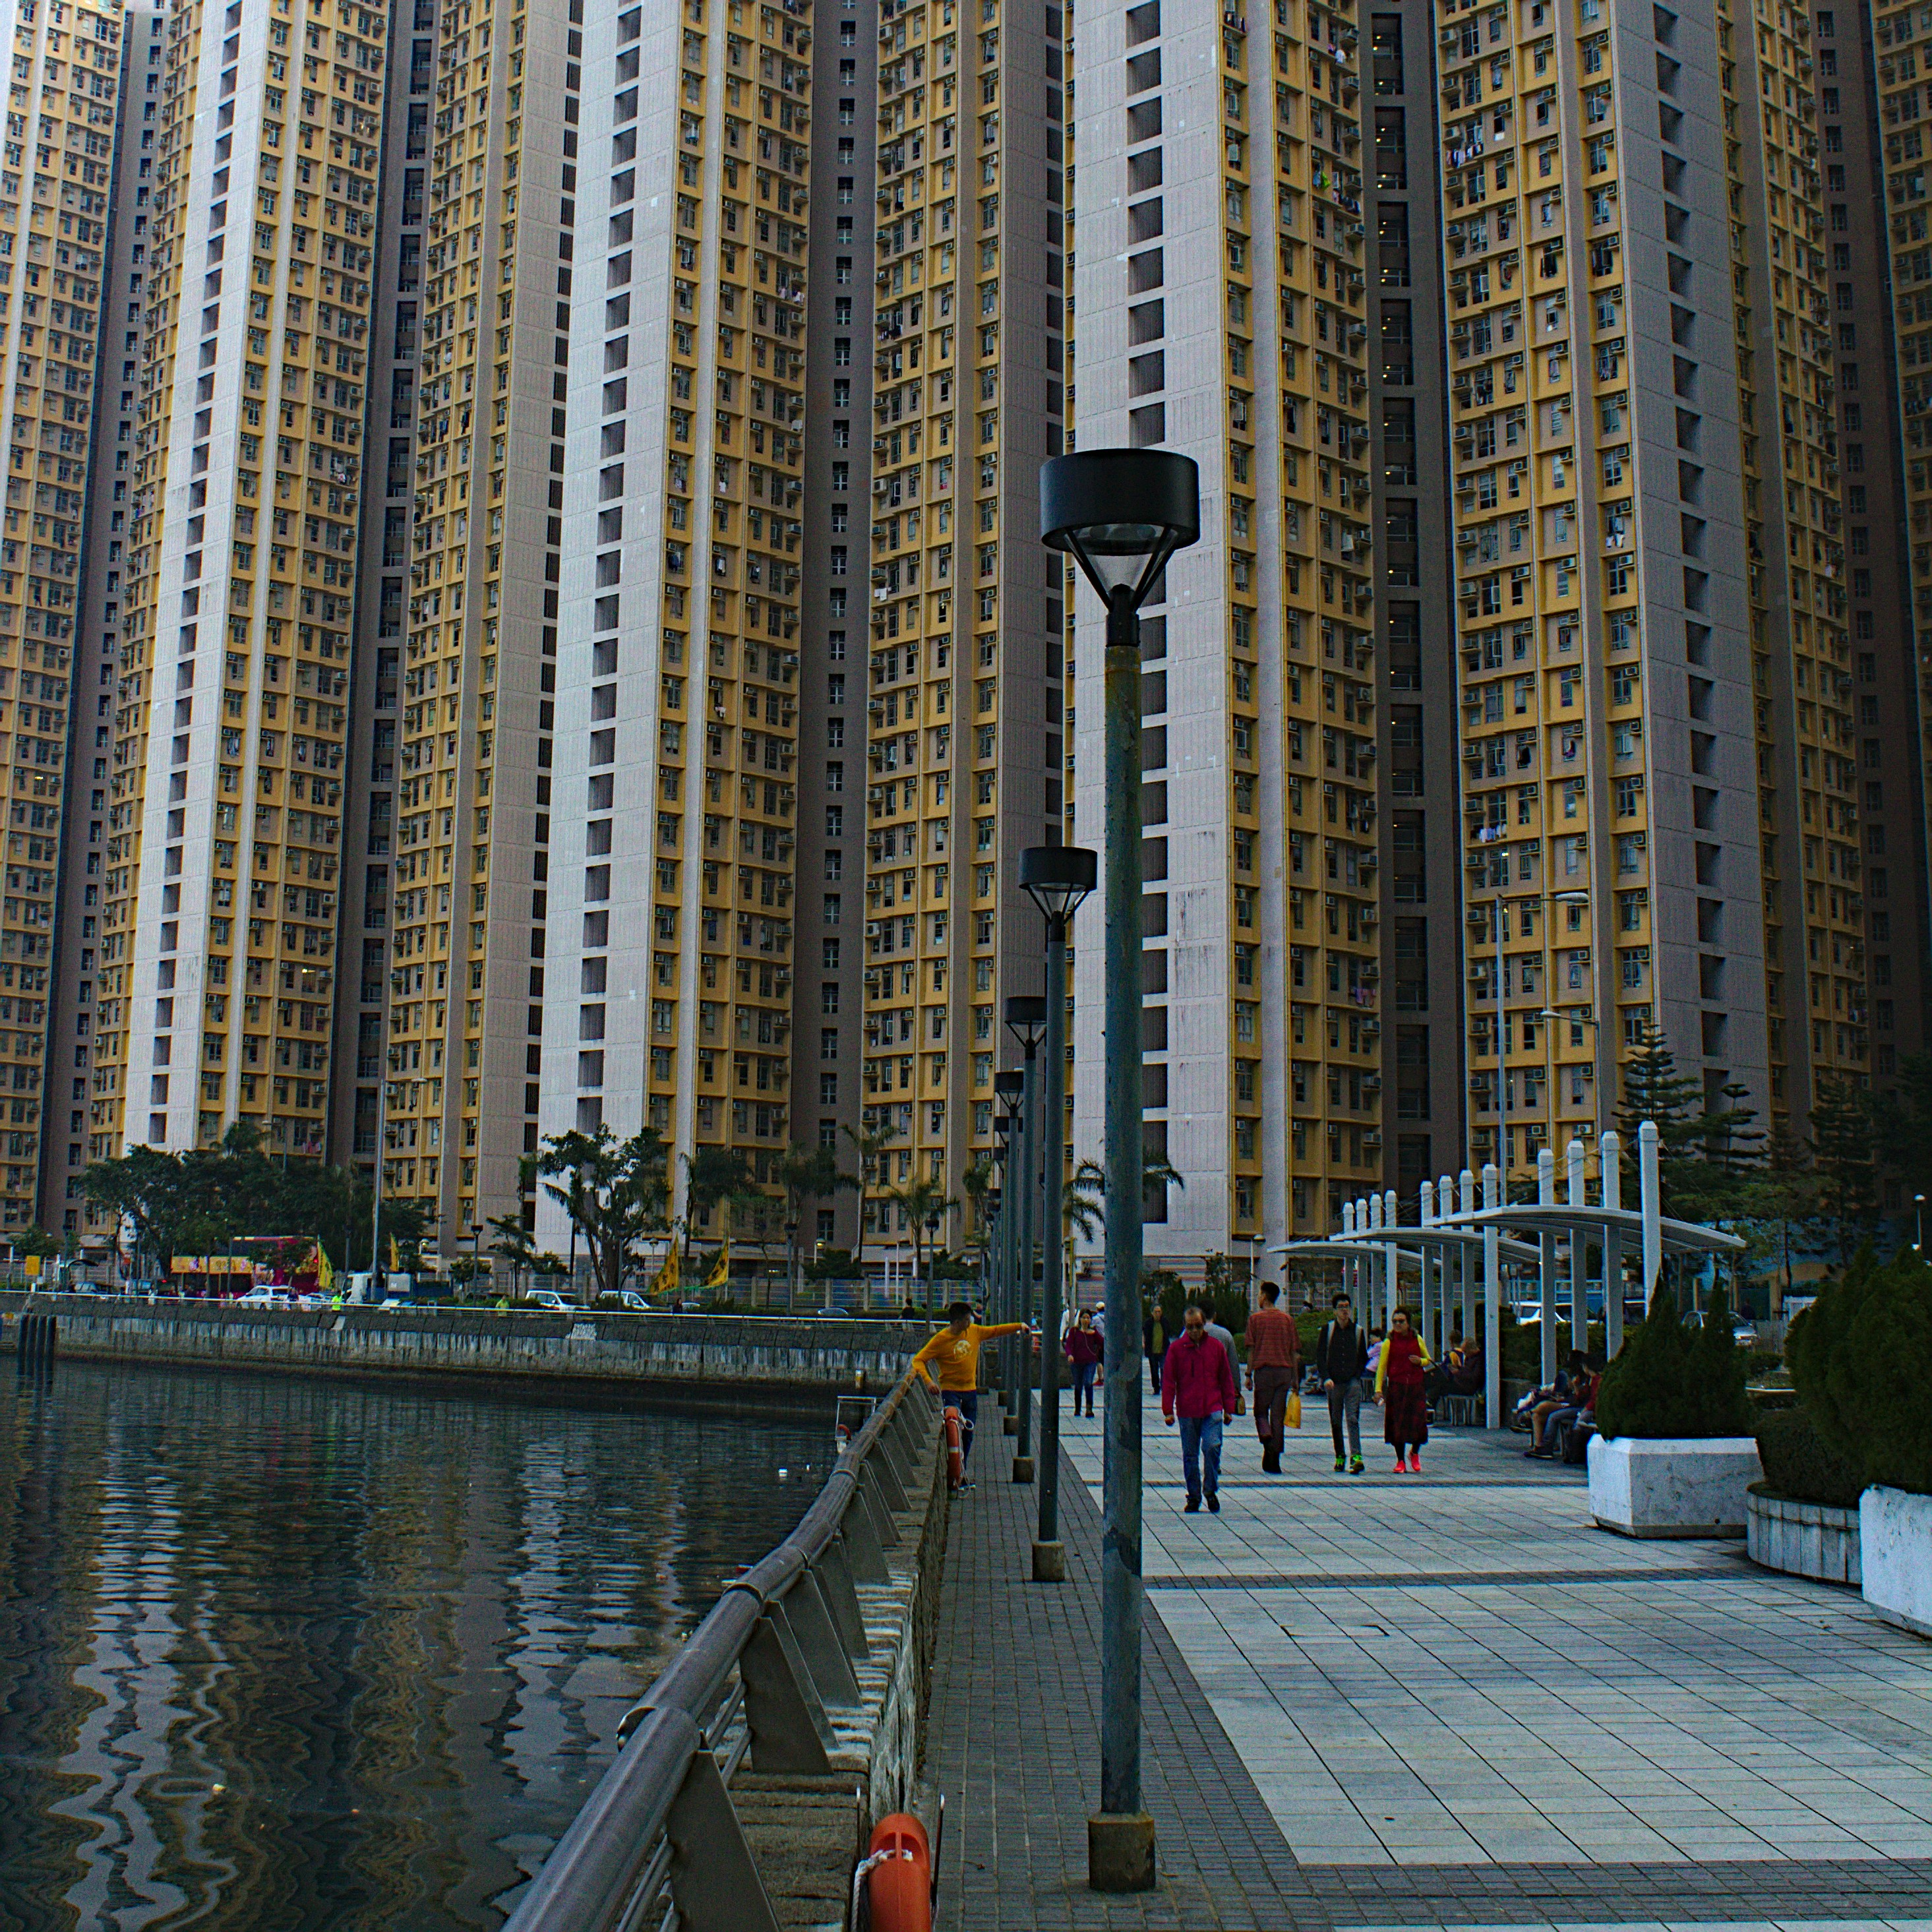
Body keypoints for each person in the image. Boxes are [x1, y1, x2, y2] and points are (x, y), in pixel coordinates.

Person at [910, 1300, 1028, 1485]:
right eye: (967, 1319)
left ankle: (961, 1472)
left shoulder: (974, 1331)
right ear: (957, 1322)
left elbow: (995, 1330)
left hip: (970, 1391)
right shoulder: (941, 1339)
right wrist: (929, 1381)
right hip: (950, 1391)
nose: (970, 1322)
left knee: (969, 1433)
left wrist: (1019, 1326)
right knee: (953, 1425)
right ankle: (952, 1467)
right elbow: (918, 1360)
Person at [1161, 1301, 1239, 1513]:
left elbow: (1226, 1379)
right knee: (1190, 1455)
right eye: (1190, 1327)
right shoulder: (1177, 1349)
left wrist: (1229, 1408)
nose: (1194, 1331)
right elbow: (1168, 1380)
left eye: (1198, 1326)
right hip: (1187, 1410)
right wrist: (1167, 1409)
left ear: (1204, 1324)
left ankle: (1210, 1490)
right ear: (1185, 1327)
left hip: (1212, 1407)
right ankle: (1194, 1495)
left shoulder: (1215, 1347)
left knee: (1212, 1447)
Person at [1245, 1282, 1302, 1474]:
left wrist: (1248, 1374)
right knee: (1277, 1416)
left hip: (1264, 1372)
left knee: (1261, 1412)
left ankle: (1267, 1441)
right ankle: (1274, 1459)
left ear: (1264, 1296)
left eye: (1259, 1294)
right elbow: (1295, 1352)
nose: (1258, 1297)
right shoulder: (1287, 1320)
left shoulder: (1255, 1320)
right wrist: (1295, 1378)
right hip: (1284, 1373)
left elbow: (1251, 1349)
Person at [1315, 1290, 1370, 1475]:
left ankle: (1357, 1456)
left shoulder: (1358, 1331)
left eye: (1347, 1307)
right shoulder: (1328, 1330)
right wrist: (1326, 1377)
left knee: (1353, 1418)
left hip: (1352, 1381)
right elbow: (1321, 1356)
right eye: (1341, 1307)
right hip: (1334, 1382)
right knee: (1336, 1421)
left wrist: (1357, 1374)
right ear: (1334, 1311)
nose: (1344, 1311)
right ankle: (1340, 1455)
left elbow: (1363, 1356)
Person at [1374, 1306, 1433, 1474]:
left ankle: (1414, 1452)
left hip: (1416, 1386)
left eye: (1401, 1321)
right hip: (1397, 1387)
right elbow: (1381, 1368)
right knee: (1397, 1425)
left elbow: (1428, 1359)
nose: (1398, 1324)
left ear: (1408, 1323)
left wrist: (1420, 1362)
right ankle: (1400, 1460)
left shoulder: (1418, 1339)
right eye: (1395, 1321)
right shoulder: (1388, 1342)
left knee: (1419, 1423)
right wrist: (1378, 1389)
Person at [1063, 1308, 1103, 1418]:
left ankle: (1089, 1409)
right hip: (1077, 1362)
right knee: (1078, 1385)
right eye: (1084, 1318)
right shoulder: (1074, 1331)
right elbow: (1069, 1344)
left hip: (1090, 1362)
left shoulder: (1094, 1333)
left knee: (1088, 1383)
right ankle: (1078, 1409)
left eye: (1088, 1318)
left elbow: (1103, 1343)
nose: (1086, 1320)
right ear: (1080, 1319)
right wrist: (1070, 1355)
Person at [1143, 1302, 1170, 1397]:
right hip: (1152, 1351)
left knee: (1164, 1369)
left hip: (1163, 1350)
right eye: (1156, 1312)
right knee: (1154, 1371)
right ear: (1152, 1313)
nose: (1158, 1314)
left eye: (1159, 1312)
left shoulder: (1165, 1322)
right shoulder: (1148, 1323)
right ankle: (1156, 1387)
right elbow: (1144, 1334)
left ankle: (1164, 1386)